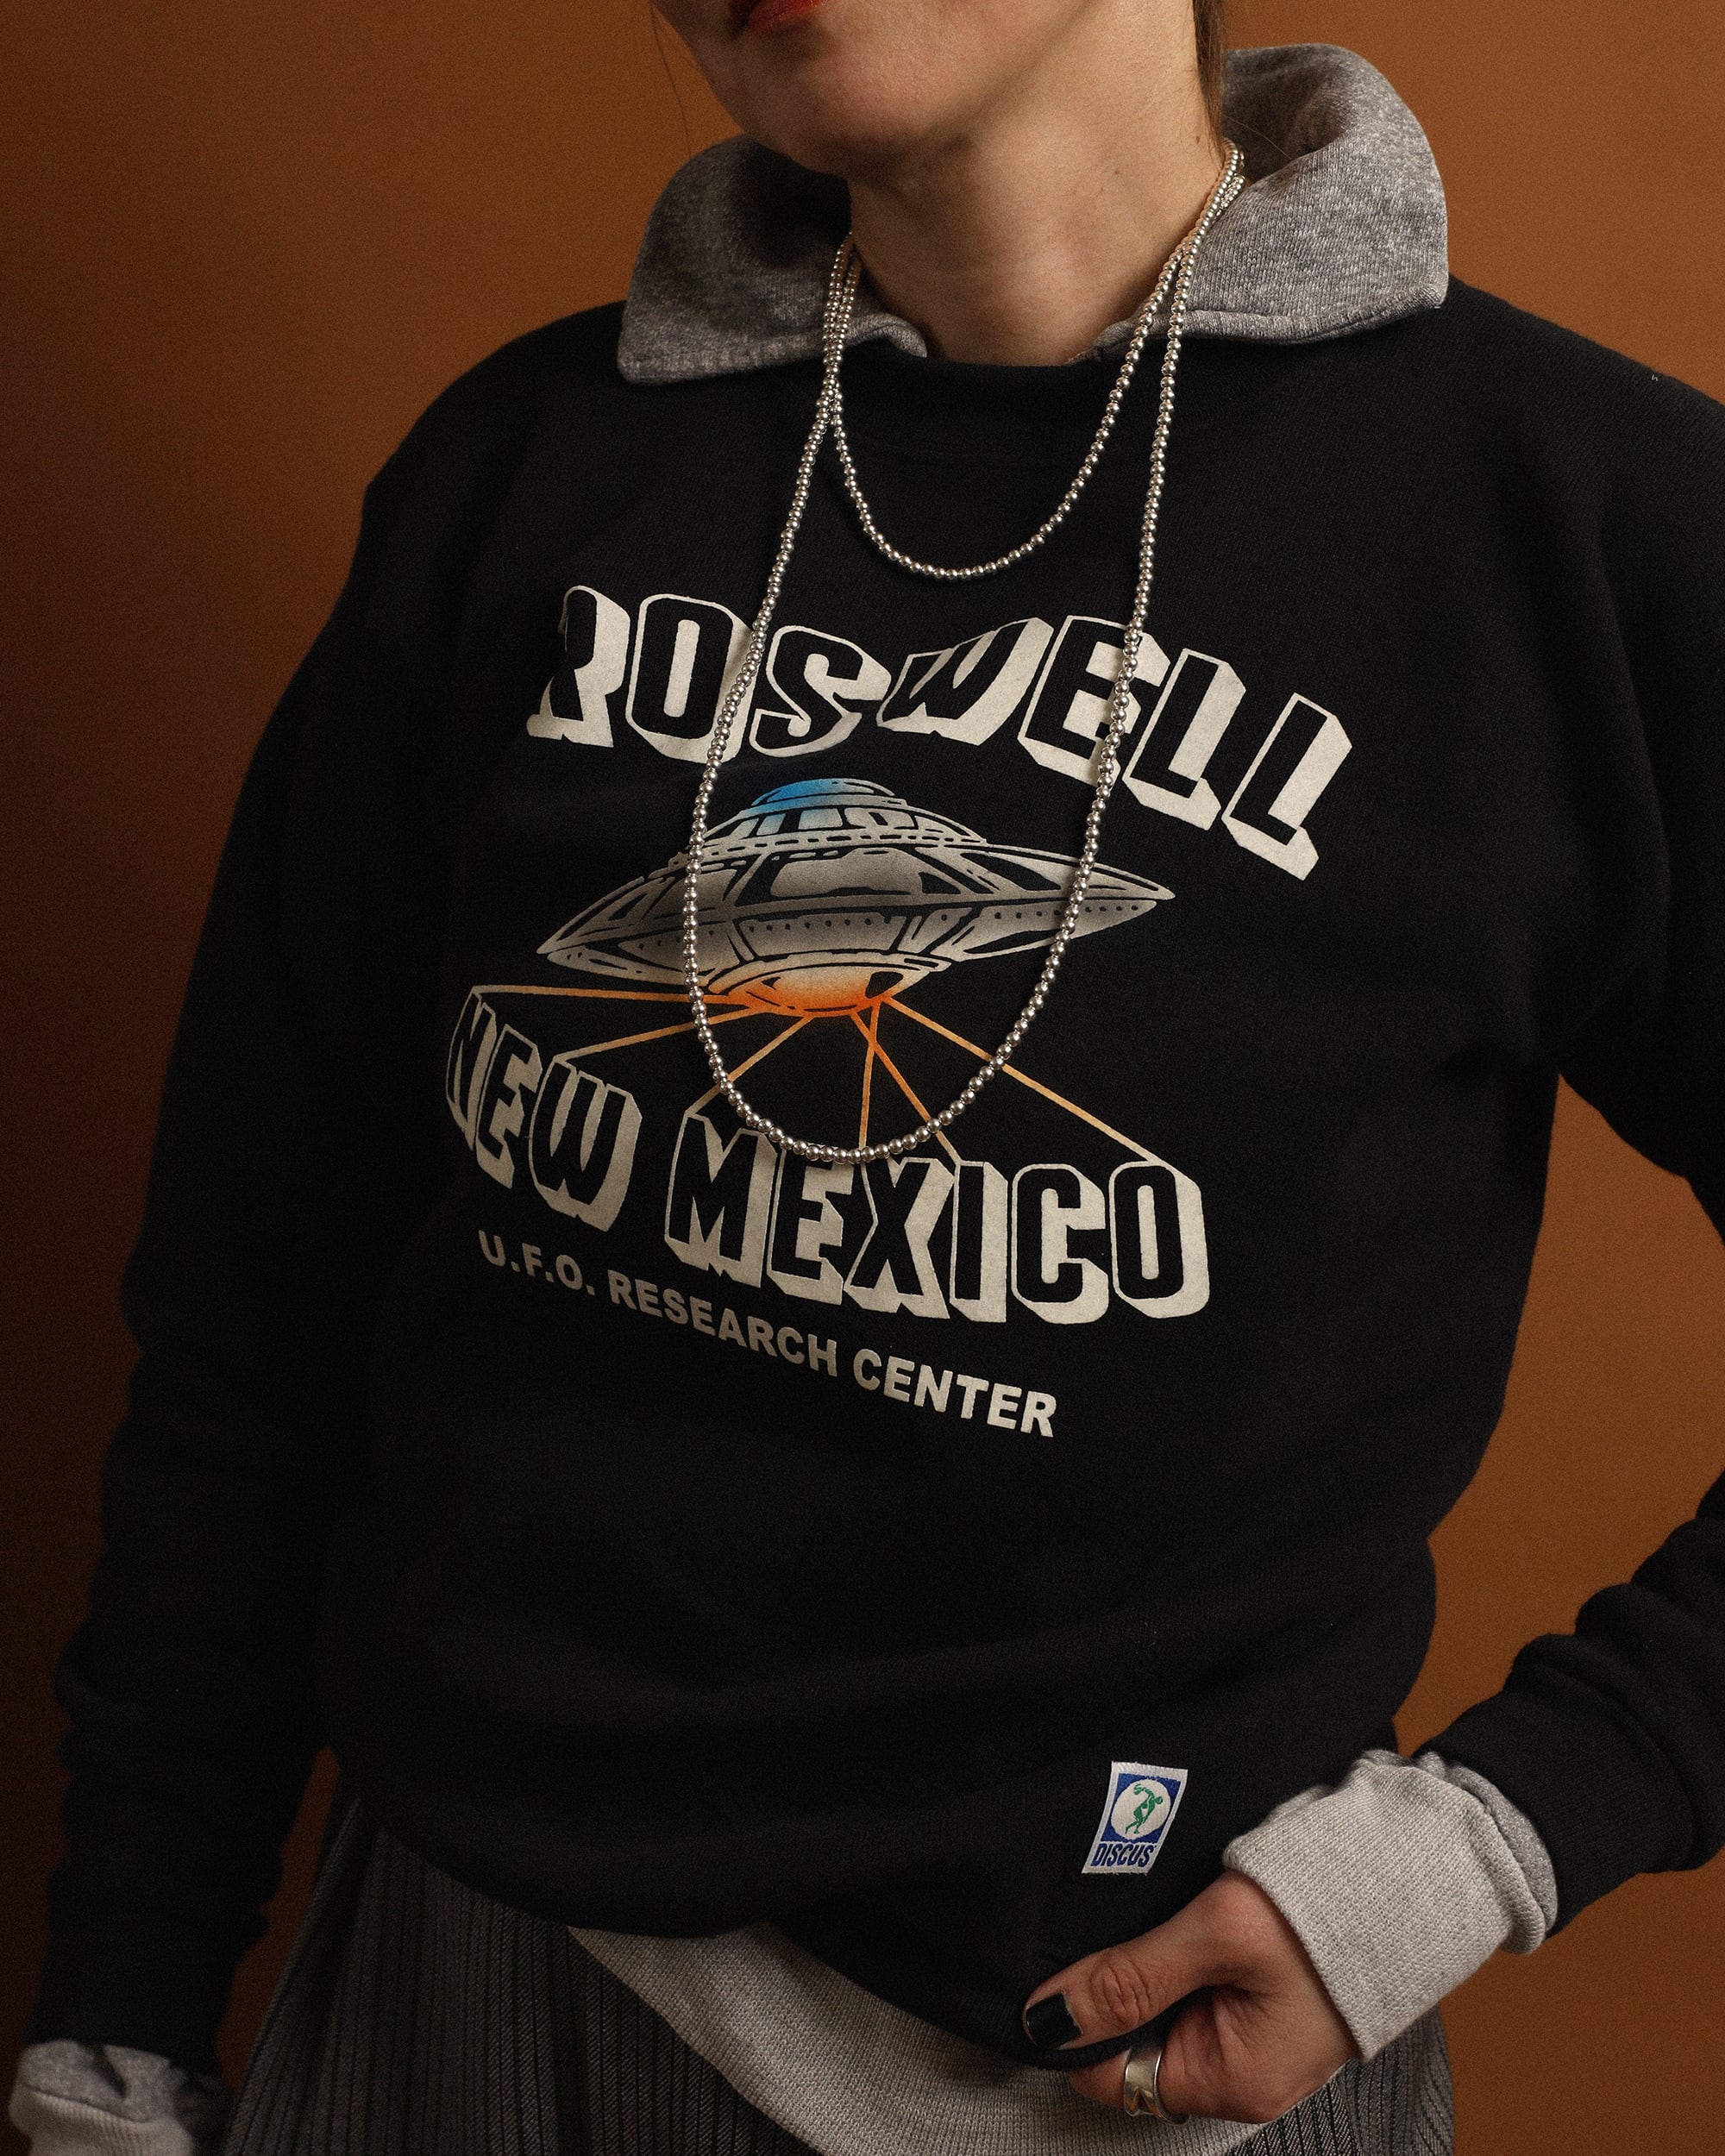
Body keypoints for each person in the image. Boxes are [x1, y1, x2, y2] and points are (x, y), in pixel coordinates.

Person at [11, 0, 1725, 2151]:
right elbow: (259, 1302)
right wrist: (121, 2021)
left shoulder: (1581, 528)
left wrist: (1478, 1845)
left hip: (1122, 2071)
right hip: (450, 1982)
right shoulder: (525, 470)